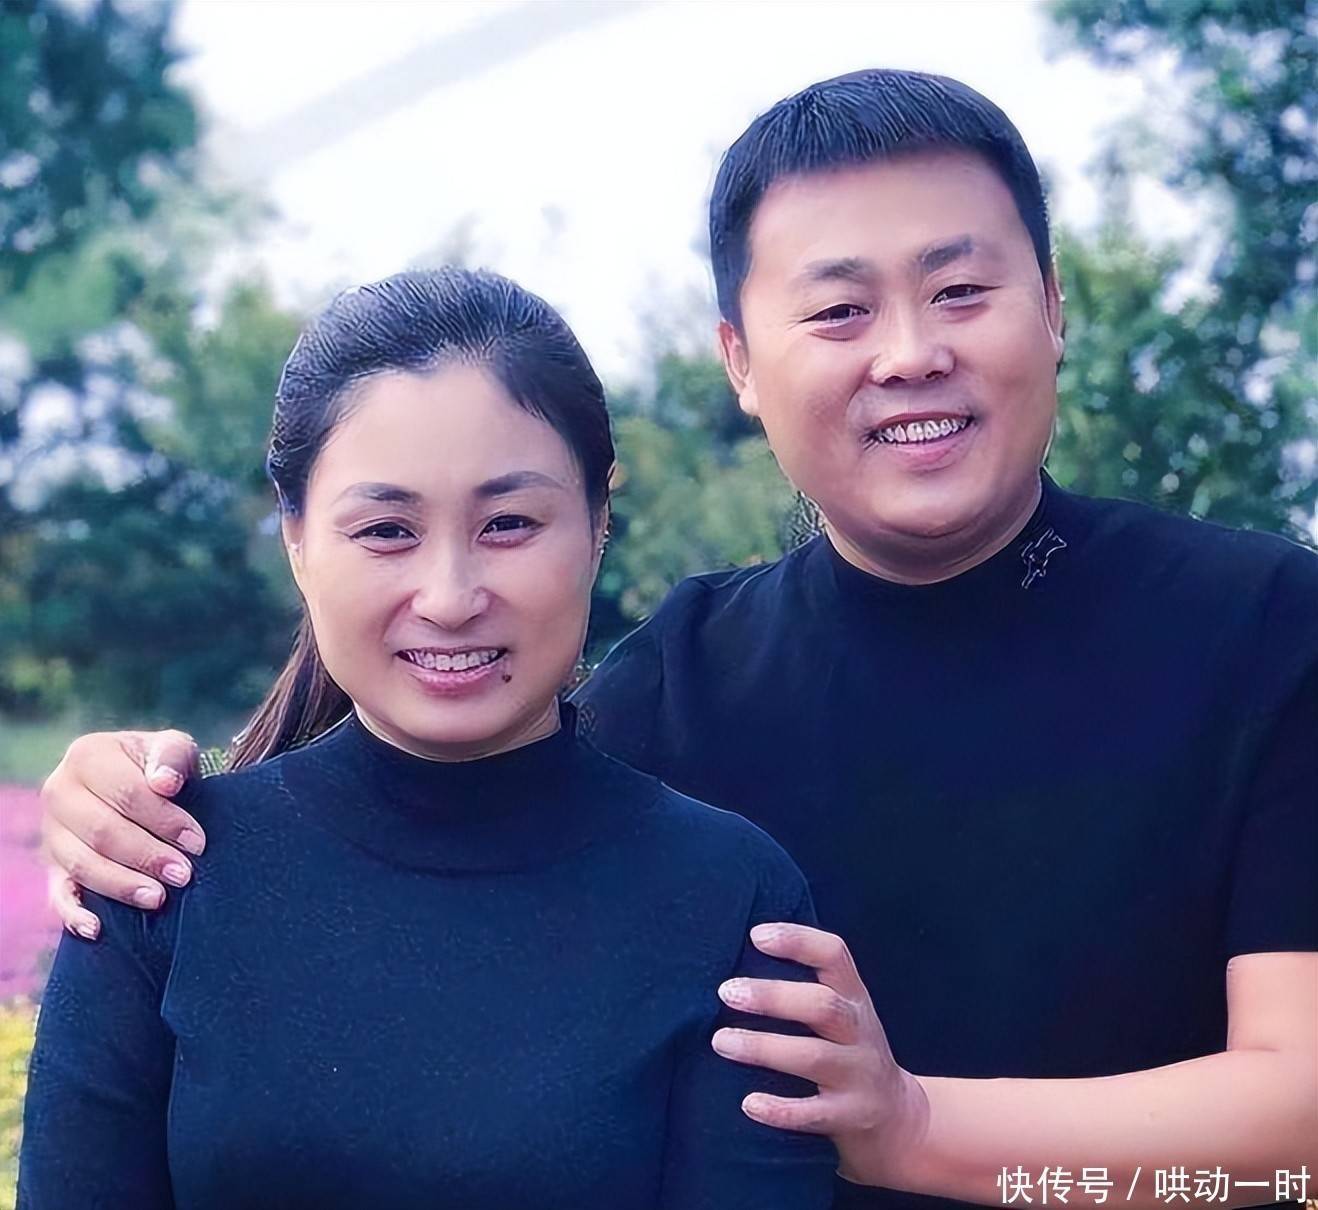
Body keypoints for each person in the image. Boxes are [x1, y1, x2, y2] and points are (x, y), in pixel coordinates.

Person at [38, 71, 1318, 1210]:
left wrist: (915, 1127)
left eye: (960, 291)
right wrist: (119, 797)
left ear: (1052, 307)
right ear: (739, 363)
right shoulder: (677, 682)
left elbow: (1301, 1122)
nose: (909, 353)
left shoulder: (1261, 624)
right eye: (839, 312)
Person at [18, 268, 837, 1208]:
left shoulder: (730, 897)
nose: (449, 597)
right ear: (296, 538)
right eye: (387, 530)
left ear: (599, 523)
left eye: (508, 523)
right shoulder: (159, 874)